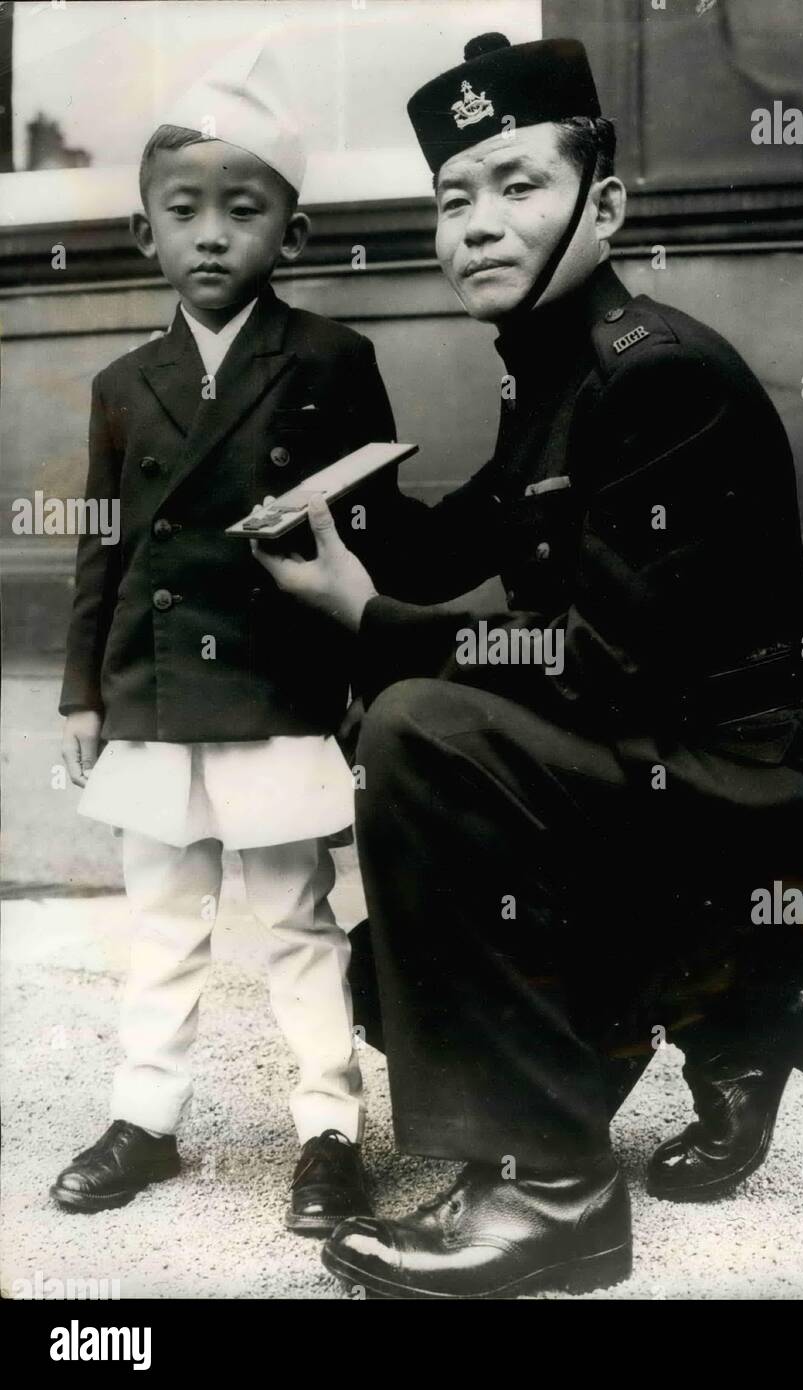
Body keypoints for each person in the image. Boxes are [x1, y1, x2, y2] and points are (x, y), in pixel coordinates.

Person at [255, 33, 803, 1299]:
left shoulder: (654, 379)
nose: (478, 224)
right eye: (452, 196)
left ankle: (561, 1194)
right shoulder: (552, 369)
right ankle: (738, 1018)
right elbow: (463, 543)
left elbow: (599, 663)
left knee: (419, 732)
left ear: (602, 204)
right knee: (400, 943)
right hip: (690, 761)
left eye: (516, 185)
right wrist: (343, 496)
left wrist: (368, 622)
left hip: (759, 784)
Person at [52, 42, 394, 1234]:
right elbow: (103, 548)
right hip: (151, 690)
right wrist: (80, 695)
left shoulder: (334, 362)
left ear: (290, 233)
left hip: (276, 687)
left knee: (298, 915)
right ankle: (146, 1117)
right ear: (146, 232)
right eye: (182, 211)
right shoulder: (120, 381)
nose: (211, 235)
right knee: (163, 916)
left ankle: (330, 1129)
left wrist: (367, 687)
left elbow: (370, 547)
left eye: (242, 211)